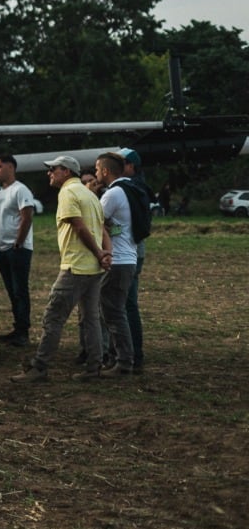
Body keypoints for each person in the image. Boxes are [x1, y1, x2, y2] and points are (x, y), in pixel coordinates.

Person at [13, 156, 110, 382]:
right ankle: (95, 365)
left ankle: (39, 366)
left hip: (75, 266)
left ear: (66, 172)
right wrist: (105, 254)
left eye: (53, 169)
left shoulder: (68, 193)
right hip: (93, 269)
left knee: (53, 317)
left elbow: (79, 227)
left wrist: (98, 253)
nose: (49, 173)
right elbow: (102, 228)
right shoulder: (90, 195)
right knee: (91, 318)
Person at [93, 152, 137, 375]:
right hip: (128, 257)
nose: (95, 173)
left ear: (106, 171)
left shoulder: (113, 194)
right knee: (112, 311)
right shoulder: (129, 189)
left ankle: (123, 362)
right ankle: (115, 358)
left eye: (97, 169)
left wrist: (91, 195)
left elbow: (93, 220)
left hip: (117, 260)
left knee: (113, 313)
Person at [111, 148, 152, 373]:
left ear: (130, 167)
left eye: (119, 162)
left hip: (129, 253)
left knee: (126, 305)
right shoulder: (137, 187)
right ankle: (131, 354)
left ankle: (132, 355)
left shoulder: (128, 188)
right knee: (126, 305)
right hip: (134, 251)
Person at [0, 154, 37, 346]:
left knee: (20, 289)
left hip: (17, 248)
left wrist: (18, 242)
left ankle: (23, 331)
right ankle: (17, 327)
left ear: (11, 167)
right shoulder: (0, 193)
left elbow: (27, 216)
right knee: (11, 290)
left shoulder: (20, 190)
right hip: (1, 248)